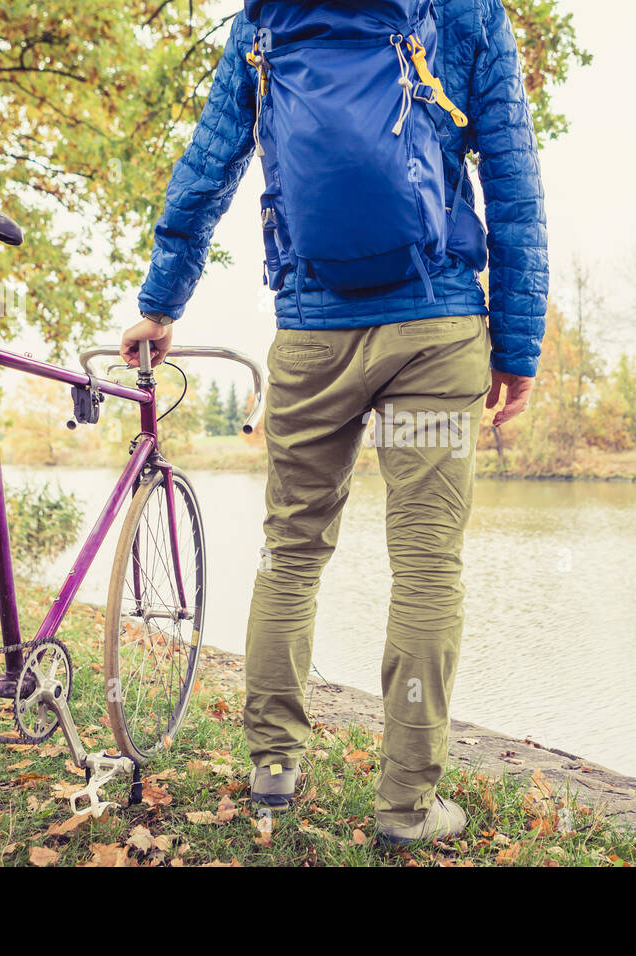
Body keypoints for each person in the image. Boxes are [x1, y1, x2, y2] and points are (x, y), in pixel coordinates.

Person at [120, 0, 547, 844]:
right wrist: (519, 342)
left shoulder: (268, 19)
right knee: (427, 566)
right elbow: (513, 183)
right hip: (434, 335)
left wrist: (162, 302)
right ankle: (407, 808)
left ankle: (273, 768)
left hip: (313, 337)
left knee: (292, 551)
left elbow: (209, 166)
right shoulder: (467, 15)